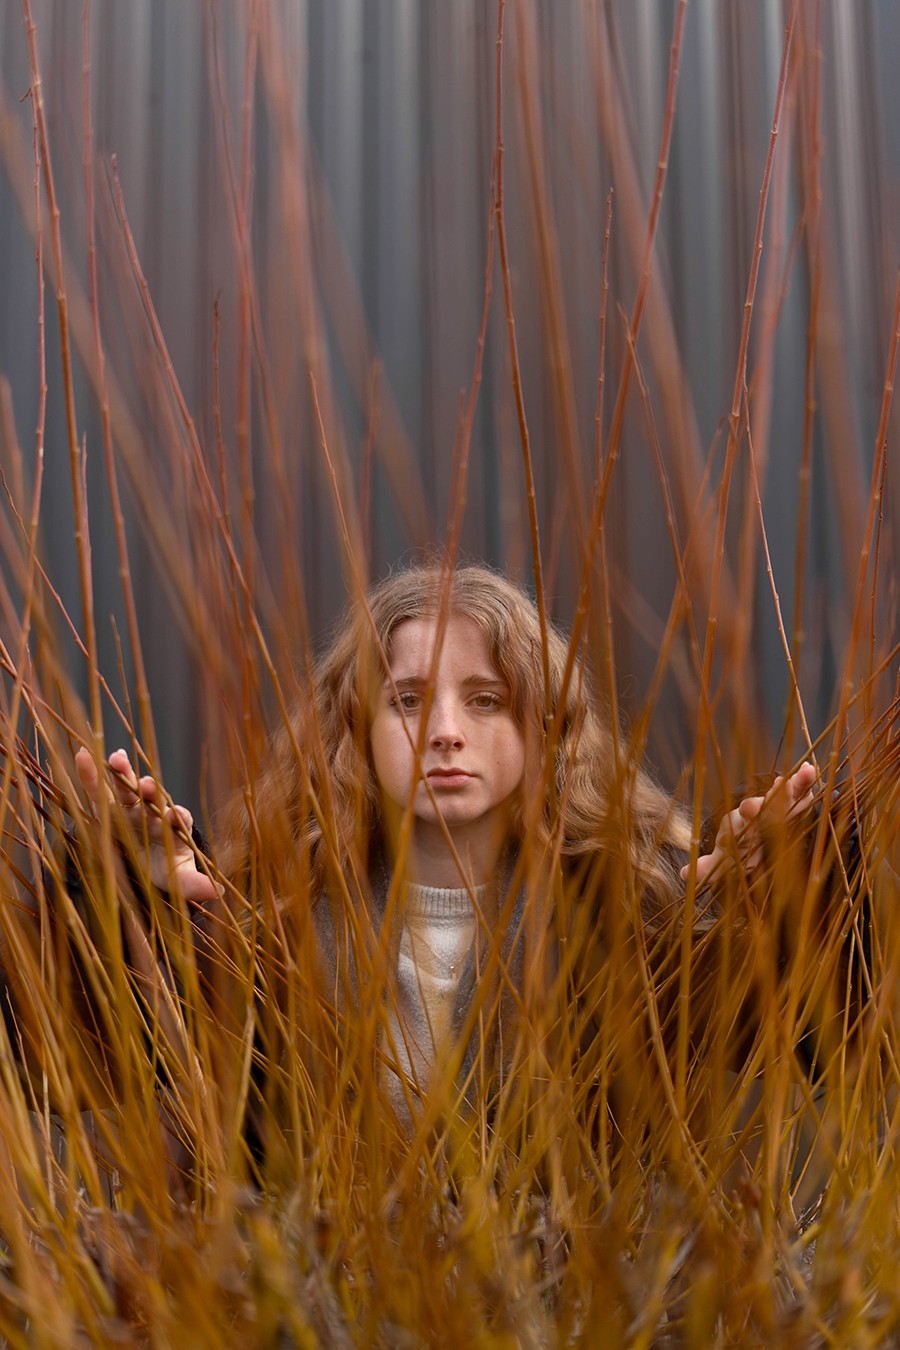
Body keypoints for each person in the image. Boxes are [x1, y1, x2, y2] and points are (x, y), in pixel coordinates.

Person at [69, 563, 822, 1180]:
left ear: (547, 726)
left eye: (487, 699)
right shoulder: (267, 916)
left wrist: (753, 912)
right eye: (407, 701)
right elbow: (94, 1061)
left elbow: (798, 1038)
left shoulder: (630, 913)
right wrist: (137, 905)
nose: (447, 733)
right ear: (355, 729)